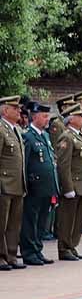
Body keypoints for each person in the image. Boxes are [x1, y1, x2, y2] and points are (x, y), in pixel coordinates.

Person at [55, 103, 82, 261]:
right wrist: (67, 187)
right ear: (71, 119)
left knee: (78, 219)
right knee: (68, 218)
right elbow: (64, 165)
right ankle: (64, 248)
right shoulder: (67, 136)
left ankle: (72, 245)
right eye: (80, 116)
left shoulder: (80, 135)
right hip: (74, 184)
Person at [19, 102, 57, 266]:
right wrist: (26, 184)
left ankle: (38, 249)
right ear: (35, 117)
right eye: (44, 116)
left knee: (42, 220)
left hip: (46, 186)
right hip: (34, 186)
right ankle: (29, 252)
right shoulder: (28, 136)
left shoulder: (45, 135)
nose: (47, 119)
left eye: (47, 116)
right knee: (30, 220)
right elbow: (25, 163)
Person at [0, 95, 26, 270]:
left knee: (14, 223)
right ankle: (1, 256)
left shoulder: (15, 129)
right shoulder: (1, 129)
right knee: (1, 222)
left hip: (17, 183)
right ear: (4, 110)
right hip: (4, 182)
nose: (19, 111)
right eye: (15, 108)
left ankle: (10, 254)